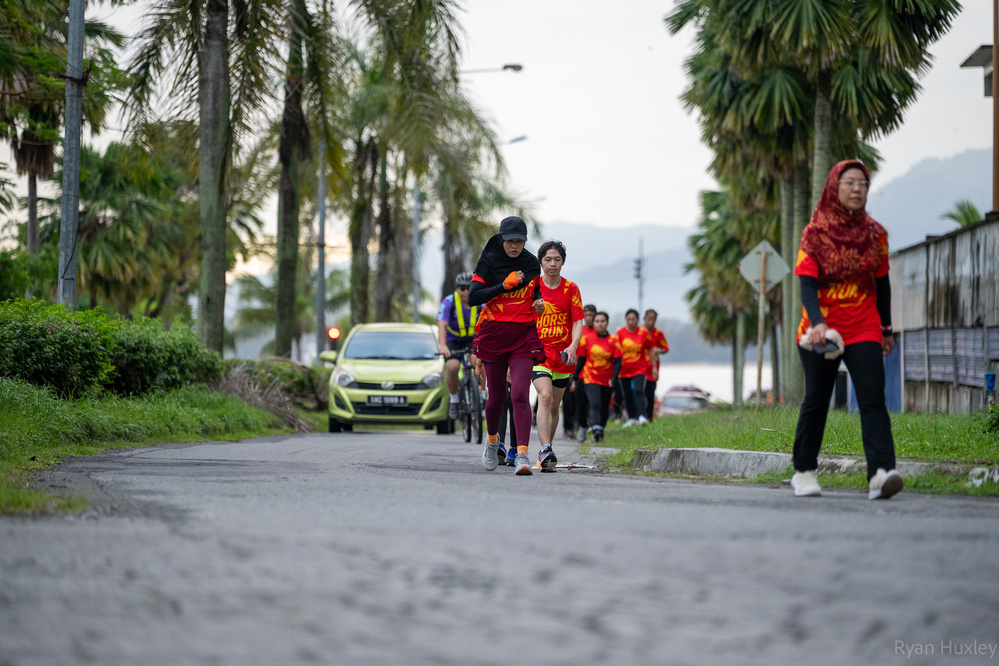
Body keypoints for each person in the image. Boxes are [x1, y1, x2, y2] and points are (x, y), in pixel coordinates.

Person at [790, 159, 903, 500]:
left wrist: (886, 328)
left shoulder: (875, 234)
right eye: (850, 182)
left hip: (864, 323)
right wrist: (818, 323)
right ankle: (804, 472)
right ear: (834, 187)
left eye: (863, 183)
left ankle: (881, 474)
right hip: (821, 329)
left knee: (872, 396)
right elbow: (806, 284)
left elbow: (882, 284)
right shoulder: (815, 233)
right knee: (817, 399)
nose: (857, 189)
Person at [468, 216, 544, 475]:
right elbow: (473, 297)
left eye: (519, 242)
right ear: (502, 239)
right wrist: (503, 286)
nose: (514, 246)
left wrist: (539, 302)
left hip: (522, 335)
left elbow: (535, 291)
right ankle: (492, 442)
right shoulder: (489, 261)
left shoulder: (531, 263)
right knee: (497, 397)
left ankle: (522, 454)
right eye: (510, 241)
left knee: (520, 394)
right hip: (494, 334)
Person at [531, 240, 584, 472]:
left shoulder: (571, 288)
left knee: (554, 405)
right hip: (538, 352)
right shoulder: (533, 287)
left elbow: (578, 321)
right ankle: (545, 450)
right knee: (544, 396)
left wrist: (573, 346)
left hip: (563, 355)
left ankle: (547, 450)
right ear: (541, 262)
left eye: (557, 259)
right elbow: (521, 316)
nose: (552, 264)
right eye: (548, 259)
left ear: (563, 262)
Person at [436, 272, 479, 421]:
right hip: (453, 340)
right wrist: (443, 345)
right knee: (453, 367)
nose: (466, 291)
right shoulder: (449, 301)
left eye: (469, 287)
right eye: (462, 288)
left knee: (480, 362)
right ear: (457, 289)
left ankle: (482, 396)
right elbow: (442, 325)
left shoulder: (479, 301)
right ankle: (454, 400)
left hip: (473, 339)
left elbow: (489, 322)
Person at [574, 311, 621, 442]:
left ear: (607, 323)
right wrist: (575, 377)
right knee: (595, 403)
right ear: (593, 323)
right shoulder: (587, 339)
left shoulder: (613, 341)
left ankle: (600, 429)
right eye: (597, 321)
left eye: (602, 321)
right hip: (590, 377)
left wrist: (614, 378)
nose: (600, 324)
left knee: (605, 405)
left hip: (607, 379)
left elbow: (618, 362)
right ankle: (595, 428)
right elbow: (581, 360)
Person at [615, 309, 656, 426]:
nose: (631, 322)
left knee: (638, 391)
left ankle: (642, 416)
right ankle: (631, 417)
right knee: (627, 394)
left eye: (633, 319)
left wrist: (654, 367)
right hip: (624, 369)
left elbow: (651, 349)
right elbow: (615, 350)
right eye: (628, 319)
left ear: (638, 320)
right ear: (625, 320)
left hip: (639, 368)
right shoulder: (620, 333)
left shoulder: (644, 333)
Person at [571, 304, 597, 442]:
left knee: (594, 403)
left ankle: (594, 427)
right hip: (579, 373)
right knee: (579, 404)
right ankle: (580, 427)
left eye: (591, 315)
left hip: (595, 376)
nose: (588, 318)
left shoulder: (599, 332)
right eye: (586, 315)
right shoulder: (578, 330)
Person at [642, 309, 669, 421]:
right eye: (649, 319)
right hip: (639, 367)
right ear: (644, 319)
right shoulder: (639, 332)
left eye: (653, 320)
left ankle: (649, 417)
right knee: (638, 392)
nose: (651, 322)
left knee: (650, 392)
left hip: (653, 368)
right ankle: (638, 416)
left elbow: (665, 348)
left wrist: (658, 351)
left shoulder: (658, 333)